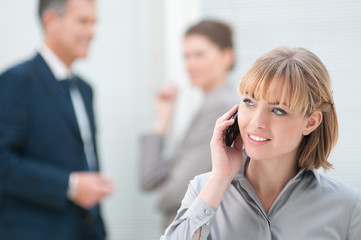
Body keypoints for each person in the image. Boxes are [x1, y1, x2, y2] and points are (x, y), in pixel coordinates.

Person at [161, 47, 361, 239]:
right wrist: (219, 178)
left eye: (278, 110)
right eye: (249, 102)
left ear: (311, 122)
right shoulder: (203, 189)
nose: (256, 122)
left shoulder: (348, 207)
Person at [0, 0, 114, 239]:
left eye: (94, 23)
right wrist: (69, 185)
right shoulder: (15, 82)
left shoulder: (85, 89)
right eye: (83, 21)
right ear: (51, 21)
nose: (92, 32)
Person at [139, 20, 240, 227]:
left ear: (227, 57)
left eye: (199, 54)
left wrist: (165, 192)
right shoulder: (207, 105)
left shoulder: (220, 107)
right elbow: (150, 179)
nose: (190, 64)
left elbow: (176, 192)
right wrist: (163, 117)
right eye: (186, 56)